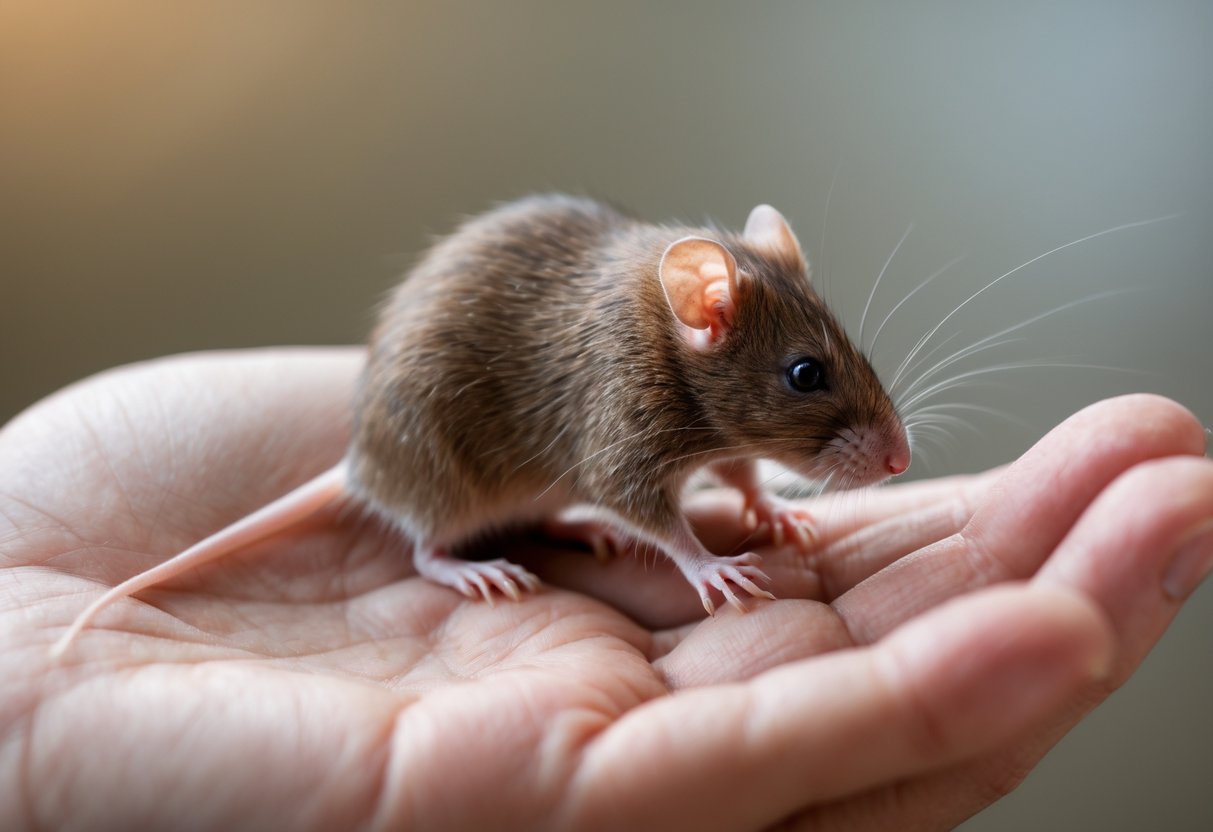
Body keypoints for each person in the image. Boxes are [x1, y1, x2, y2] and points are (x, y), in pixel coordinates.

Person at [1, 348, 1210, 830]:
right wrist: (694, 555)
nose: (879, 444)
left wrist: (755, 495)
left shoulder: (694, 374)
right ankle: (435, 547)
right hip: (439, 462)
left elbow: (697, 460)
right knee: (496, 498)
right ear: (705, 324)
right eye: (813, 388)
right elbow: (630, 473)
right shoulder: (638, 395)